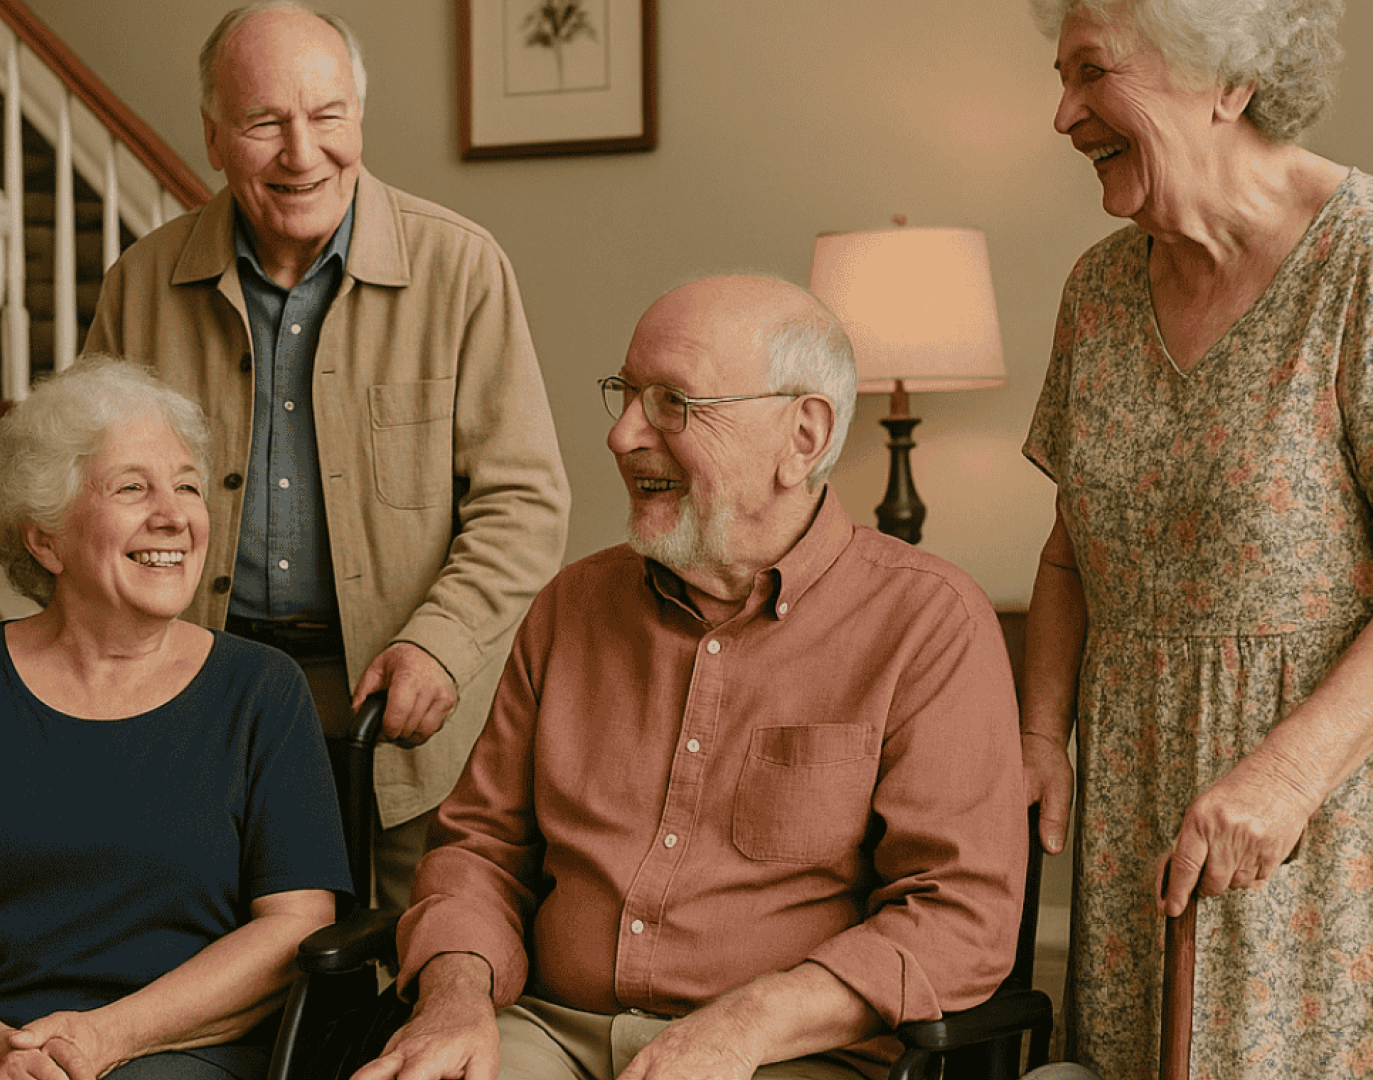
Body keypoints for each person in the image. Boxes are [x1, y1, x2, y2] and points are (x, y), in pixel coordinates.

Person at [359, 276, 1027, 1080]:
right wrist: (454, 999)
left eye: (673, 402)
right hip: (547, 1033)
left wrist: (745, 1026)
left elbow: (958, 915)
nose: (621, 434)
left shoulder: (928, 623)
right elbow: (480, 850)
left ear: (804, 436)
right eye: (627, 393)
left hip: (784, 1055)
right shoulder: (572, 606)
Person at [84, 1, 569, 910]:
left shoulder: (462, 268)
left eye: (327, 116)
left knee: (411, 979)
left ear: (359, 116)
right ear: (214, 135)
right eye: (266, 122)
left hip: (403, 703)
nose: (302, 154)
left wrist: (443, 644)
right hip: (199, 697)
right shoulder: (140, 284)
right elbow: (87, 501)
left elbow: (525, 503)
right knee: (212, 967)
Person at [0, 359, 351, 1080]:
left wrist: (105, 1038)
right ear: (45, 538)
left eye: (187, 485)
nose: (175, 515)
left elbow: (296, 927)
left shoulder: (261, 690)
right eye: (131, 488)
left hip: (169, 1041)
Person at [1020, 0, 1373, 1075]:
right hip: (1136, 813)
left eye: (1091, 73)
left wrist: (1287, 779)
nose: (1062, 113)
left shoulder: (1360, 265)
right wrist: (1040, 735)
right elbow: (1070, 550)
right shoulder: (1098, 290)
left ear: (1227, 81)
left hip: (1323, 821)